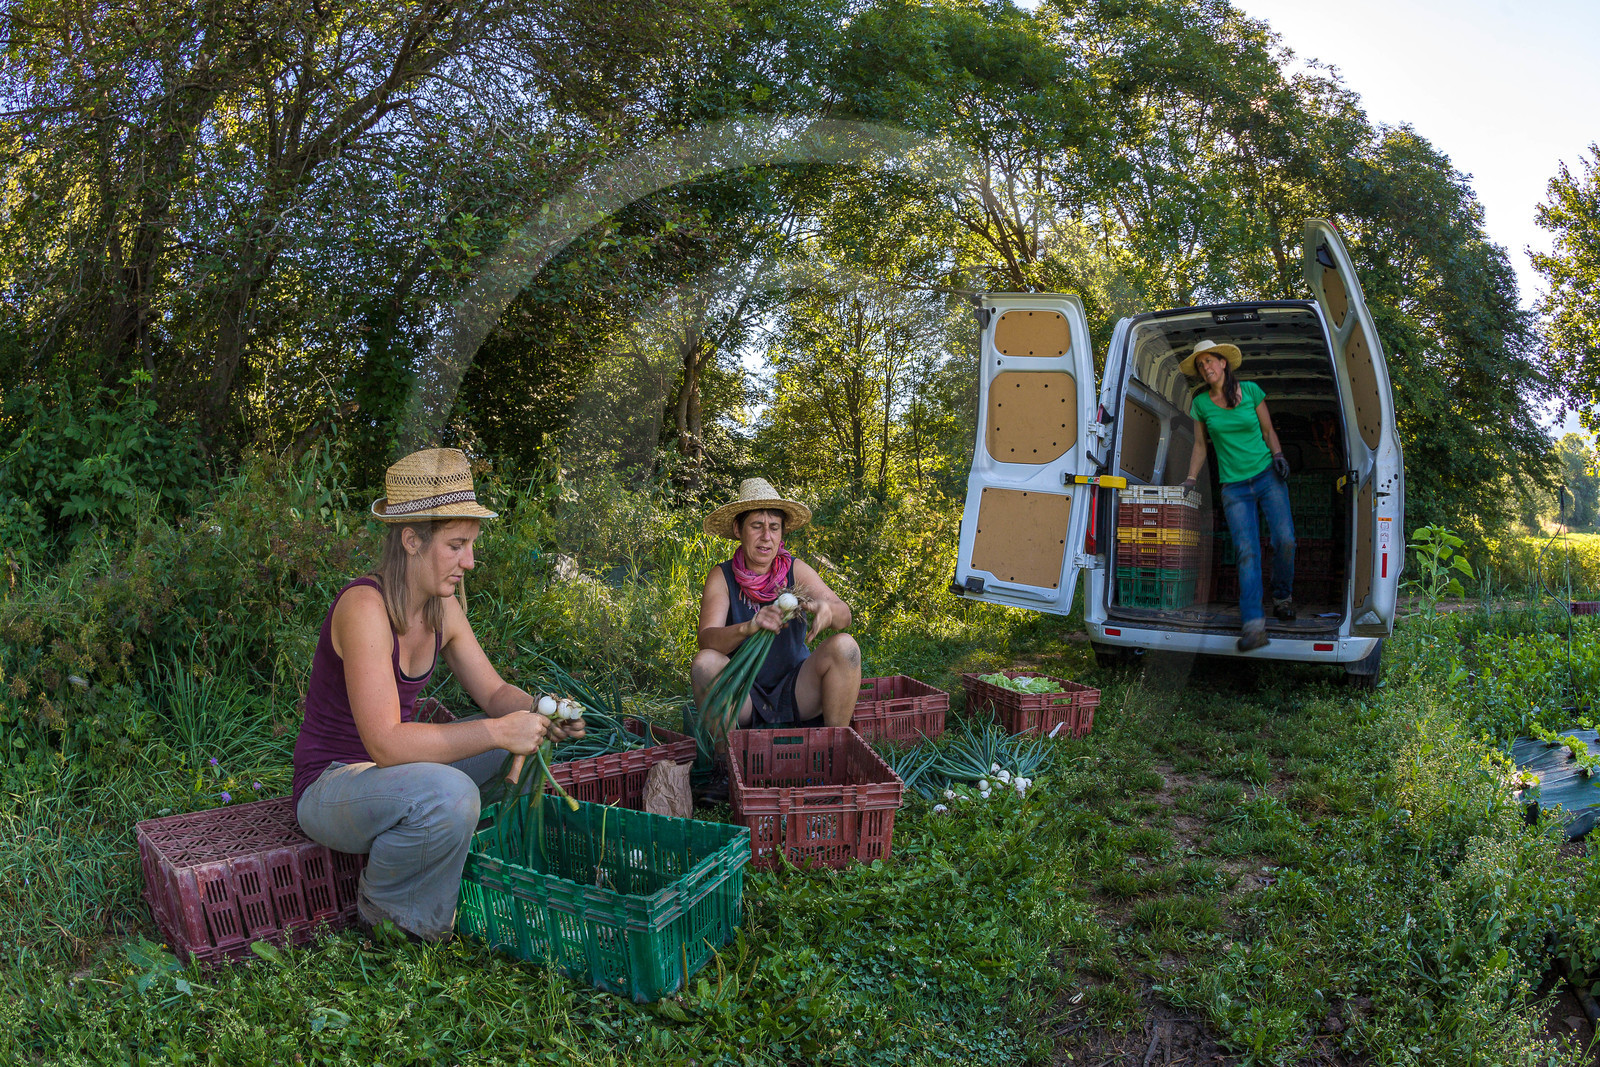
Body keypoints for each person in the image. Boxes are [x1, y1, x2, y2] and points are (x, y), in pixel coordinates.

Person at [292, 448, 584, 942]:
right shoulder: (365, 607)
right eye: (456, 545)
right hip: (333, 785)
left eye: (470, 544)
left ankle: (486, 863)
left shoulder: (441, 609)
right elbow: (385, 743)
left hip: (395, 779)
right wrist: (497, 729)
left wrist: (539, 713)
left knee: (522, 747)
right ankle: (390, 916)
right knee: (451, 793)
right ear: (411, 540)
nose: (469, 561)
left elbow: (493, 692)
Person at [691, 478, 861, 735]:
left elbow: (844, 614)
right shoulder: (722, 576)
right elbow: (707, 640)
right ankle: (725, 763)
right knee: (705, 663)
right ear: (738, 529)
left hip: (797, 689)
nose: (766, 537)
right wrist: (748, 628)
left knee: (846, 646)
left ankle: (834, 748)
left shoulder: (795, 569)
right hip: (742, 692)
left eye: (774, 527)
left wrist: (828, 611)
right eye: (756, 526)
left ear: (782, 532)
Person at [1178, 339, 1296, 652]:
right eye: (1201, 365)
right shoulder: (1200, 404)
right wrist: (1190, 478)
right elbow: (1201, 446)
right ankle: (1254, 626)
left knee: (1285, 540)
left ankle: (1282, 597)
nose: (1206, 369)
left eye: (1210, 361)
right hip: (1234, 487)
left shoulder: (1253, 391)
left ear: (1224, 363)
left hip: (1267, 476)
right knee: (1247, 552)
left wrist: (1279, 455)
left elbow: (1268, 430)